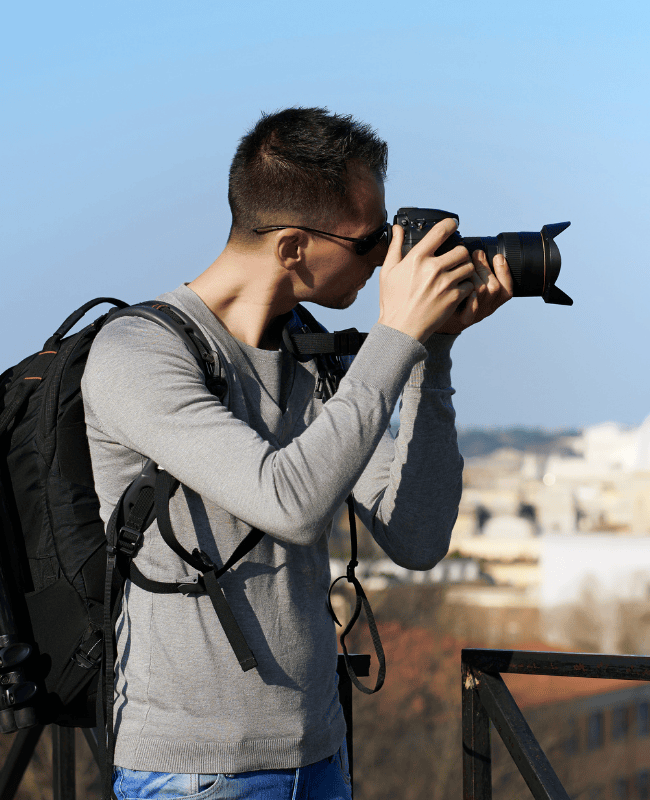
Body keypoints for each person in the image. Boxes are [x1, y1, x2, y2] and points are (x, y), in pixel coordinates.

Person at [81, 107, 510, 799]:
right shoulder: (139, 354)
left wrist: (432, 352)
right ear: (291, 248)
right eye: (371, 240)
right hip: (195, 773)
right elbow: (290, 502)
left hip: (320, 755)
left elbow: (418, 535)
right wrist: (396, 336)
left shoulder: (310, 357)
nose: (385, 260)